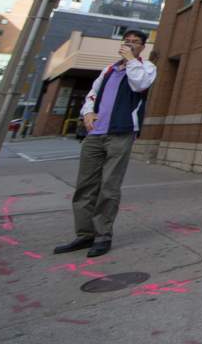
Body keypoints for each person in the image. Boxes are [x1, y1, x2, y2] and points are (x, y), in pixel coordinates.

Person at [54, 30, 156, 258]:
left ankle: (102, 235)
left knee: (109, 186)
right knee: (85, 186)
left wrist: (130, 60)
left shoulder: (145, 67)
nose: (129, 44)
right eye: (126, 41)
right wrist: (88, 113)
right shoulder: (109, 70)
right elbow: (92, 94)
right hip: (95, 134)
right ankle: (84, 234)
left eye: (135, 42)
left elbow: (140, 84)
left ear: (142, 47)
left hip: (121, 133)